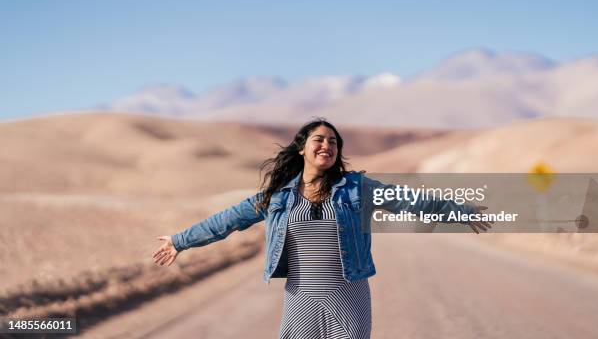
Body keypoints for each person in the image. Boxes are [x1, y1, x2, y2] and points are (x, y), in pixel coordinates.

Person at [153, 119, 491, 338]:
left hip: (348, 295)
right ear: (302, 148)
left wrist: (458, 212)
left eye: (333, 141)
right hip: (300, 299)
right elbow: (226, 221)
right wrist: (181, 241)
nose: (327, 145)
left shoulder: (358, 187)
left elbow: (409, 200)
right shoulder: (276, 197)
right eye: (319, 139)